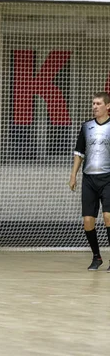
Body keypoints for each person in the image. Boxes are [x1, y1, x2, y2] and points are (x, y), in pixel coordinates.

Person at [70, 91, 110, 271]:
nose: (94, 106)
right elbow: (79, 153)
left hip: (108, 179)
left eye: (98, 103)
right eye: (93, 103)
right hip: (89, 180)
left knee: (108, 217)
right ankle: (96, 256)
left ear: (107, 106)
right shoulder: (86, 127)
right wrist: (73, 175)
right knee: (87, 221)